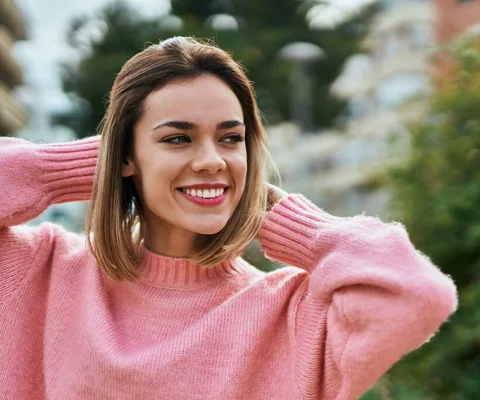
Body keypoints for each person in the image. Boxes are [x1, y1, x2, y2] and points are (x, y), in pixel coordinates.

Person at [0, 37, 457, 399]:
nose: (211, 161)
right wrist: (84, 167)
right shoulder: (44, 272)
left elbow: (419, 296)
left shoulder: (289, 314)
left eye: (230, 138)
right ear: (124, 154)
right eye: (178, 139)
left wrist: (291, 223)